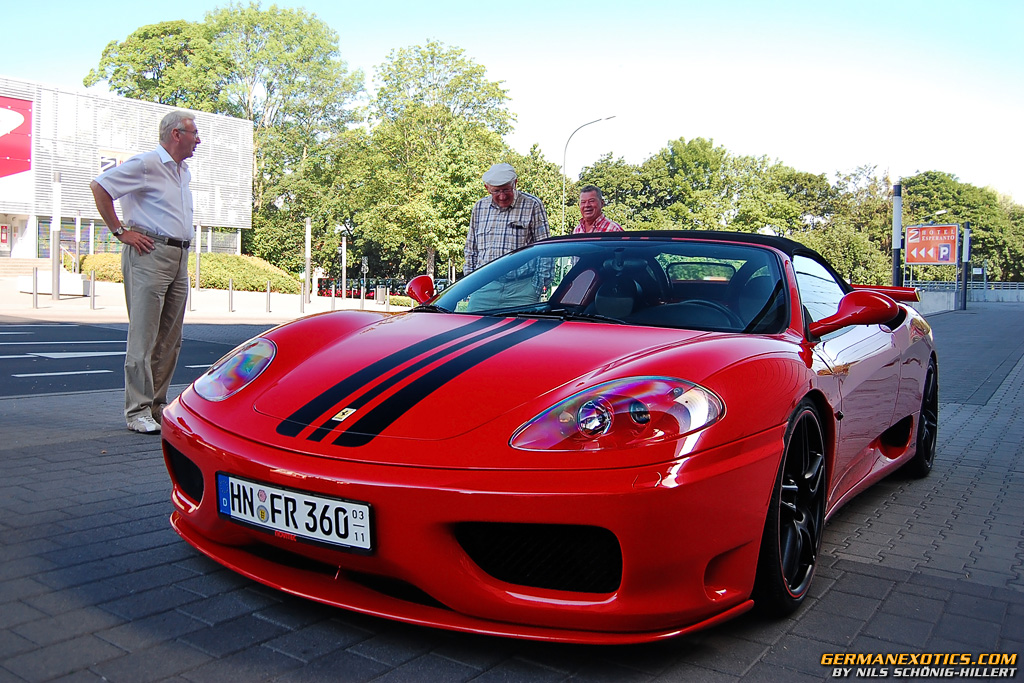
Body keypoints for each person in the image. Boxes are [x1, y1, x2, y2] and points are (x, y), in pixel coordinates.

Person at [90, 110, 199, 434]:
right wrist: (119, 231)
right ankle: (136, 410)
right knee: (144, 336)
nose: (198, 140)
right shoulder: (147, 164)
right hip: (149, 251)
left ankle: (156, 405)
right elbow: (100, 187)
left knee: (170, 338)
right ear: (176, 134)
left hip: (179, 255)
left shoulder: (183, 172)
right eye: (194, 133)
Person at [464, 163, 551, 309]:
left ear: (515, 183)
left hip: (522, 289)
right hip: (484, 287)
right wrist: (471, 283)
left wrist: (538, 285)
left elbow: (546, 248)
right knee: (472, 330)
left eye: (506, 189)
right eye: (496, 191)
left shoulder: (532, 205)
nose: (502, 196)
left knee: (524, 332)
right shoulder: (479, 208)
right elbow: (471, 249)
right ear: (487, 188)